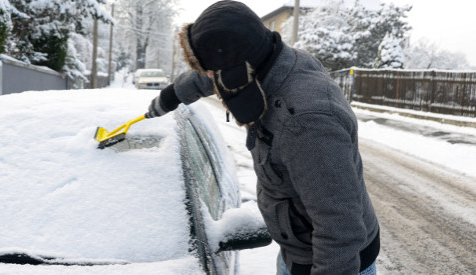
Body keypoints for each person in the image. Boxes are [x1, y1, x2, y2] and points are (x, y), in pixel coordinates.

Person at [144, 1, 380, 274]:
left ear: (238, 71)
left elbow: (341, 230)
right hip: (298, 247)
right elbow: (216, 74)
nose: (209, 77)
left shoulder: (306, 123)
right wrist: (169, 97)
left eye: (212, 71)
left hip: (327, 263)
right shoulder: (270, 61)